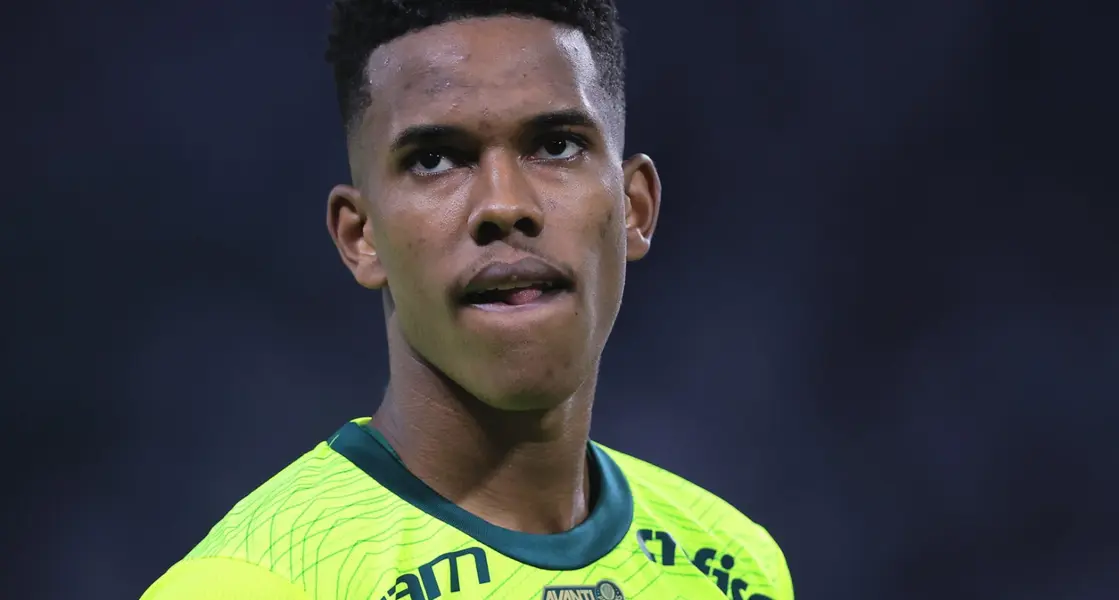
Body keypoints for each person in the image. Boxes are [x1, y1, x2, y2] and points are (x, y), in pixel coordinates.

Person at [140, 1, 792, 598]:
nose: (504, 205)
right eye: (435, 159)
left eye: (556, 146)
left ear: (633, 208)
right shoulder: (254, 581)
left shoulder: (738, 565)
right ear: (361, 237)